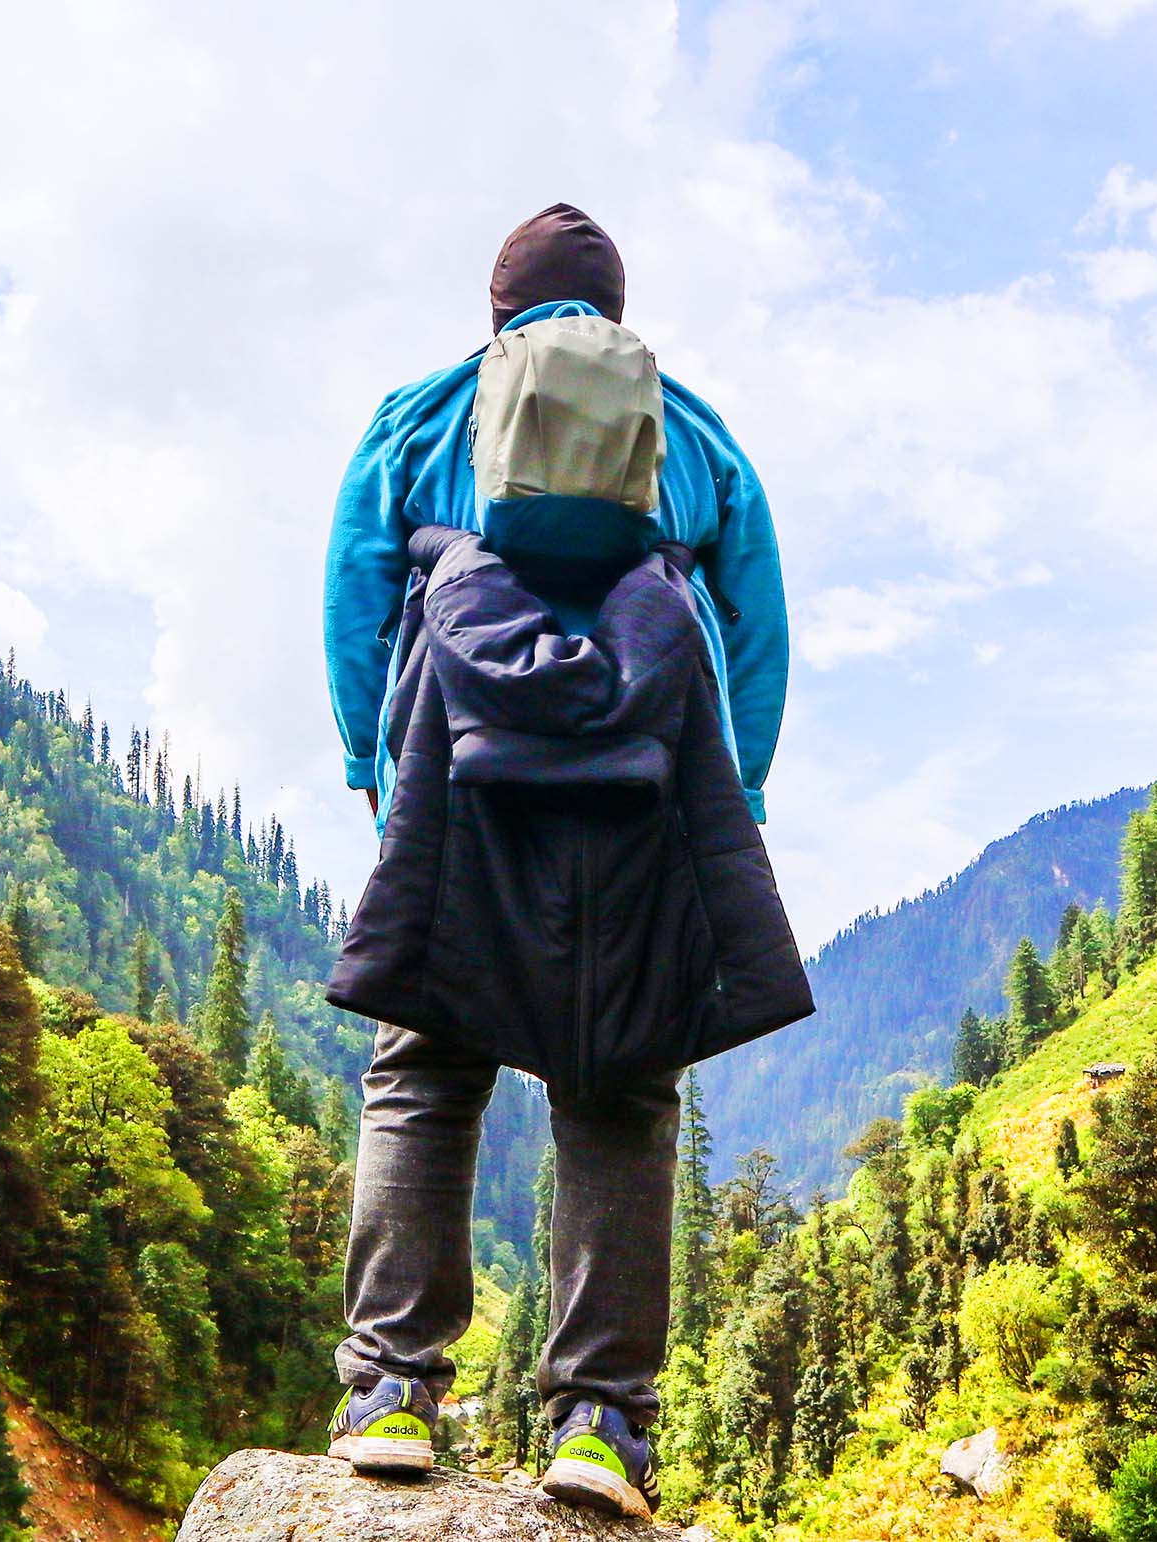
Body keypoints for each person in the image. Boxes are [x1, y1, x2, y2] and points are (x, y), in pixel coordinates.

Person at [319, 204, 791, 1519]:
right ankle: (597, 1422)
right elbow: (755, 619)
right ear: (615, 316)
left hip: (458, 763)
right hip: (646, 771)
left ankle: (392, 1391)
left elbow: (356, 586)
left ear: (499, 313)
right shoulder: (689, 430)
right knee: (622, 1079)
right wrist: (734, 789)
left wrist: (372, 764)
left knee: (425, 1062)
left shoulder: (420, 418)